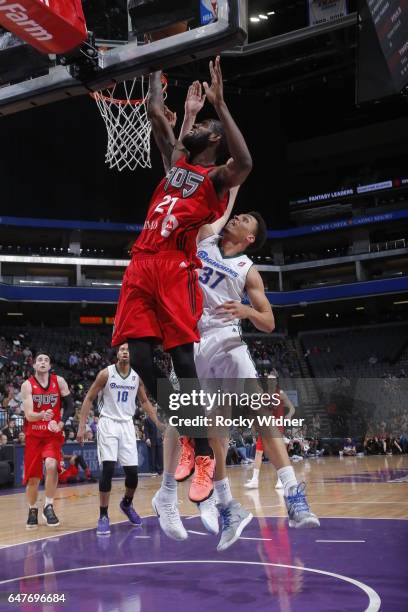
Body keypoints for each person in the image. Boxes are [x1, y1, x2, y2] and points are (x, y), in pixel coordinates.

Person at [111, 56, 253, 540]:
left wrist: (221, 104)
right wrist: (151, 62)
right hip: (140, 266)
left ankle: (205, 458)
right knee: (146, 364)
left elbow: (246, 163)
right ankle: (192, 440)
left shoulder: (214, 179)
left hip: (174, 269)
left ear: (213, 141)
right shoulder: (177, 166)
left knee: (183, 365)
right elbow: (154, 110)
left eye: (207, 127)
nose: (202, 128)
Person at [174, 189, 319, 549]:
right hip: (193, 339)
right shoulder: (205, 240)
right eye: (237, 216)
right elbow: (207, 201)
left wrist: (247, 312)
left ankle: (293, 494)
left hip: (227, 339)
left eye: (244, 221)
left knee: (259, 410)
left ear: (250, 238)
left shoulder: (247, 269)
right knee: (208, 432)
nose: (236, 219)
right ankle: (226, 506)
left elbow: (269, 321)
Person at [77, 342, 162, 536]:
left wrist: (158, 423)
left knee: (132, 473)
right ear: (117, 353)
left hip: (126, 425)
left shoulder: (136, 376)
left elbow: (144, 401)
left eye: (129, 350)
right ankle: (103, 515)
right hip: (108, 423)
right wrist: (82, 427)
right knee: (107, 468)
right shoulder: (105, 374)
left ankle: (126, 503)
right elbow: (89, 398)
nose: (125, 352)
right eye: (122, 349)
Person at [21, 352, 74, 529]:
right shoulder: (27, 385)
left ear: (50, 366)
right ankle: (32, 509)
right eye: (39, 360)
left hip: (52, 436)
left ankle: (48, 505)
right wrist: (42, 415)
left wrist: (61, 423)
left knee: (52, 466)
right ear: (34, 365)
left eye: (46, 360)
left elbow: (70, 405)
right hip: (34, 436)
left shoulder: (59, 382)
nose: (43, 362)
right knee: (33, 479)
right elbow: (28, 415)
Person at [245, 372, 295, 490]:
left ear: (276, 382)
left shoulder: (281, 394)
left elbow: (291, 408)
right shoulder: (263, 394)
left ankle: (281, 480)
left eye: (273, 380)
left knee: (279, 453)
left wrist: (287, 417)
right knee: (258, 452)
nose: (271, 382)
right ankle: (254, 480)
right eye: (269, 380)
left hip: (277, 427)